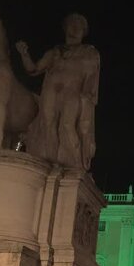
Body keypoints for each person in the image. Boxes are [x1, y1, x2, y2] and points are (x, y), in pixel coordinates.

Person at [16, 13, 100, 170]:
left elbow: (91, 79)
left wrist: (87, 99)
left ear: (83, 32)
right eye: (71, 26)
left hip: (73, 93)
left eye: (78, 27)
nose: (74, 30)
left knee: (67, 125)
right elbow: (33, 69)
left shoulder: (89, 53)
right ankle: (50, 163)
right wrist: (24, 54)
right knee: (48, 124)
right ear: (65, 29)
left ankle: (76, 163)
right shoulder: (54, 52)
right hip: (51, 92)